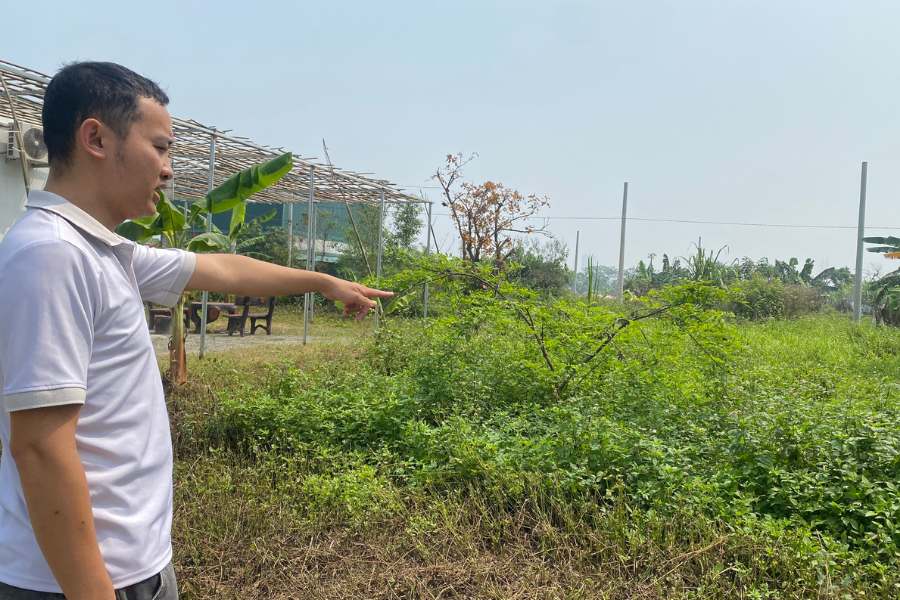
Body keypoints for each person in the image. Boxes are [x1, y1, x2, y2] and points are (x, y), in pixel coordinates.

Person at [0, 62, 392, 600]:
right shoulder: (51, 256)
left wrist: (323, 281)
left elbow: (221, 268)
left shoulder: (105, 252)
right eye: (160, 148)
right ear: (95, 137)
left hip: (135, 564)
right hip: (78, 582)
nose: (167, 170)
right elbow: (41, 447)